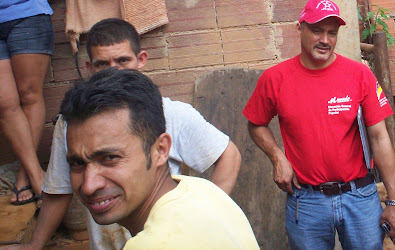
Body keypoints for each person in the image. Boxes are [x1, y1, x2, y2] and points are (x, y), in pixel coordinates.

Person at [23, 18, 242, 250]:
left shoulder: (173, 114)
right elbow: (59, 188)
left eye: (122, 60)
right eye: (102, 64)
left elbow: (229, 155)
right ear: (90, 69)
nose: (114, 71)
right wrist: (35, 244)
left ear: (141, 60)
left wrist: (200, 219)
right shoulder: (73, 123)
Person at [243, 0, 395, 249]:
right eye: (317, 30)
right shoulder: (275, 79)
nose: (325, 40)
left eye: (332, 32)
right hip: (306, 200)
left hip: (359, 196)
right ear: (300, 29)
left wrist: (394, 203)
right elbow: (255, 123)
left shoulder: (359, 75)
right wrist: (277, 157)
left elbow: (379, 138)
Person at [61, 68, 259, 249]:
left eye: (110, 158)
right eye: (77, 163)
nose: (89, 185)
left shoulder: (151, 245)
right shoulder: (200, 189)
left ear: (161, 150)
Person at [0, 0, 69, 205]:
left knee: (28, 95)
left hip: (28, 21)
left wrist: (26, 3)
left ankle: (27, 178)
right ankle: (38, 175)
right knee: (4, 103)